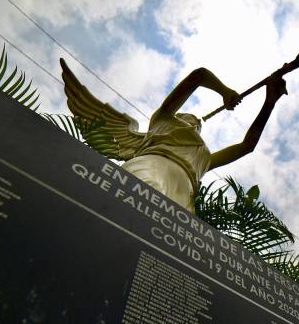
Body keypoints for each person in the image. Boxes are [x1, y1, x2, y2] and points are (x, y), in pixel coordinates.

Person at [60, 60, 287, 212]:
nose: (195, 122)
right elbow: (198, 76)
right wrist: (224, 91)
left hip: (186, 186)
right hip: (153, 163)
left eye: (197, 124)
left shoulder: (204, 157)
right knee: (132, 201)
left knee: (173, 242)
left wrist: (270, 101)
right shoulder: (162, 120)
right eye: (190, 118)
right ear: (180, 115)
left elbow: (247, 146)